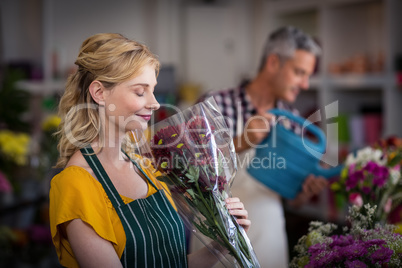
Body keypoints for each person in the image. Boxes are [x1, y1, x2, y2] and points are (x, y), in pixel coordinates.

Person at [48, 33, 251, 268]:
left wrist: (222, 244)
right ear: (100, 93)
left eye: (152, 90)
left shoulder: (145, 167)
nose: (154, 103)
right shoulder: (76, 184)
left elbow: (174, 263)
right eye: (140, 91)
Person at [193, 26, 329, 267]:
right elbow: (192, 171)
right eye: (299, 72)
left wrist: (303, 193)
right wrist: (242, 142)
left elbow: (292, 200)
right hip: (215, 241)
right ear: (274, 62)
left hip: (269, 239)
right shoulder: (215, 103)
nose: (306, 84)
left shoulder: (292, 120)